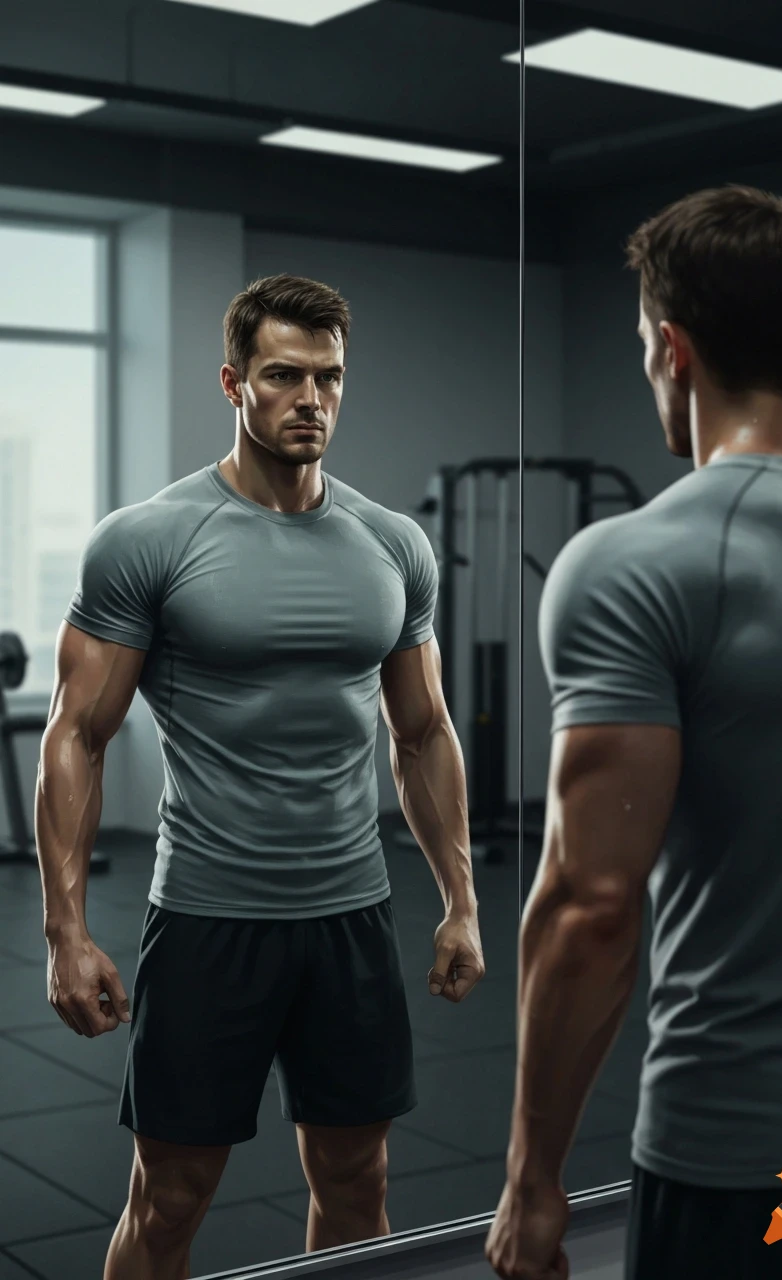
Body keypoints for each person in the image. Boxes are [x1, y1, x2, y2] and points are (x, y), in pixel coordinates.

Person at [36, 273, 485, 1280]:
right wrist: (66, 931)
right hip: (209, 918)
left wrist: (460, 901)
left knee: (358, 1181)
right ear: (233, 382)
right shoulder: (150, 539)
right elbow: (77, 733)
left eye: (329, 377)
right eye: (284, 375)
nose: (311, 398)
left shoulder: (392, 544)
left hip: (351, 917)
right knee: (169, 1199)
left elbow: (423, 733)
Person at [485, 185, 782, 1280]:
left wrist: (531, 1179)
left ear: (672, 348)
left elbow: (589, 907)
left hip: (761, 1172)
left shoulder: (632, 565)